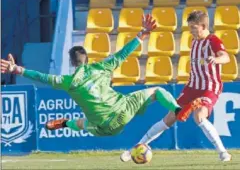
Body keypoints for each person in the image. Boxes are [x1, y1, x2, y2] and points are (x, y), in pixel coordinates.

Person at [1, 14, 190, 137]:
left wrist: (17, 69)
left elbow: (41, 77)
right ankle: (177, 110)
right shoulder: (101, 67)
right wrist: (142, 33)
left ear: (71, 63)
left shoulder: (67, 82)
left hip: (105, 128)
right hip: (123, 110)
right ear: (87, 59)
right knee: (157, 91)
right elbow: (123, 53)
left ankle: (66, 123)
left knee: (84, 123)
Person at [120, 11, 232, 162]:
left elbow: (226, 57)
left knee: (199, 116)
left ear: (204, 26)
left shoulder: (213, 40)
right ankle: (134, 148)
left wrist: (216, 59)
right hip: (192, 87)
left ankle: (223, 152)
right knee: (169, 118)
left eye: (193, 27)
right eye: (189, 27)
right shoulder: (194, 41)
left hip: (209, 87)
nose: (191, 31)